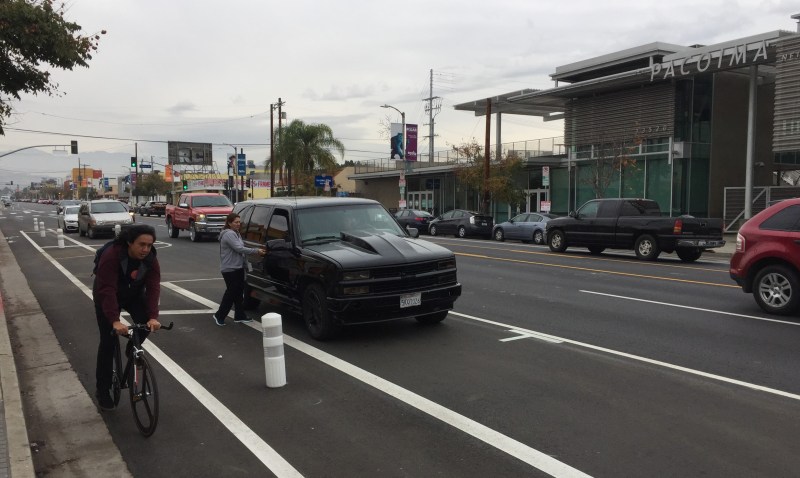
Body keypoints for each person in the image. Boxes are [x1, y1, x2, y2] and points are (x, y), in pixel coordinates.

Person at [93, 225, 161, 411]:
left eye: (149, 245)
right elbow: (107, 290)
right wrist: (115, 320)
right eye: (141, 245)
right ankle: (103, 390)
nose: (145, 249)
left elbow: (154, 287)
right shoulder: (112, 256)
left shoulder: (151, 258)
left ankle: (132, 347)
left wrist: (153, 317)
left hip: (133, 293)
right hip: (106, 293)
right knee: (108, 342)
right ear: (129, 242)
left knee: (146, 324)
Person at [213, 213, 266, 326]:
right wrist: (256, 251)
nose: (238, 224)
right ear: (229, 223)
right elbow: (239, 248)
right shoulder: (229, 234)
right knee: (231, 293)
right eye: (236, 222)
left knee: (238, 293)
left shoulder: (236, 233)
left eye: (239, 222)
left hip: (238, 268)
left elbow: (241, 247)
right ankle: (219, 315)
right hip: (229, 269)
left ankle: (239, 315)